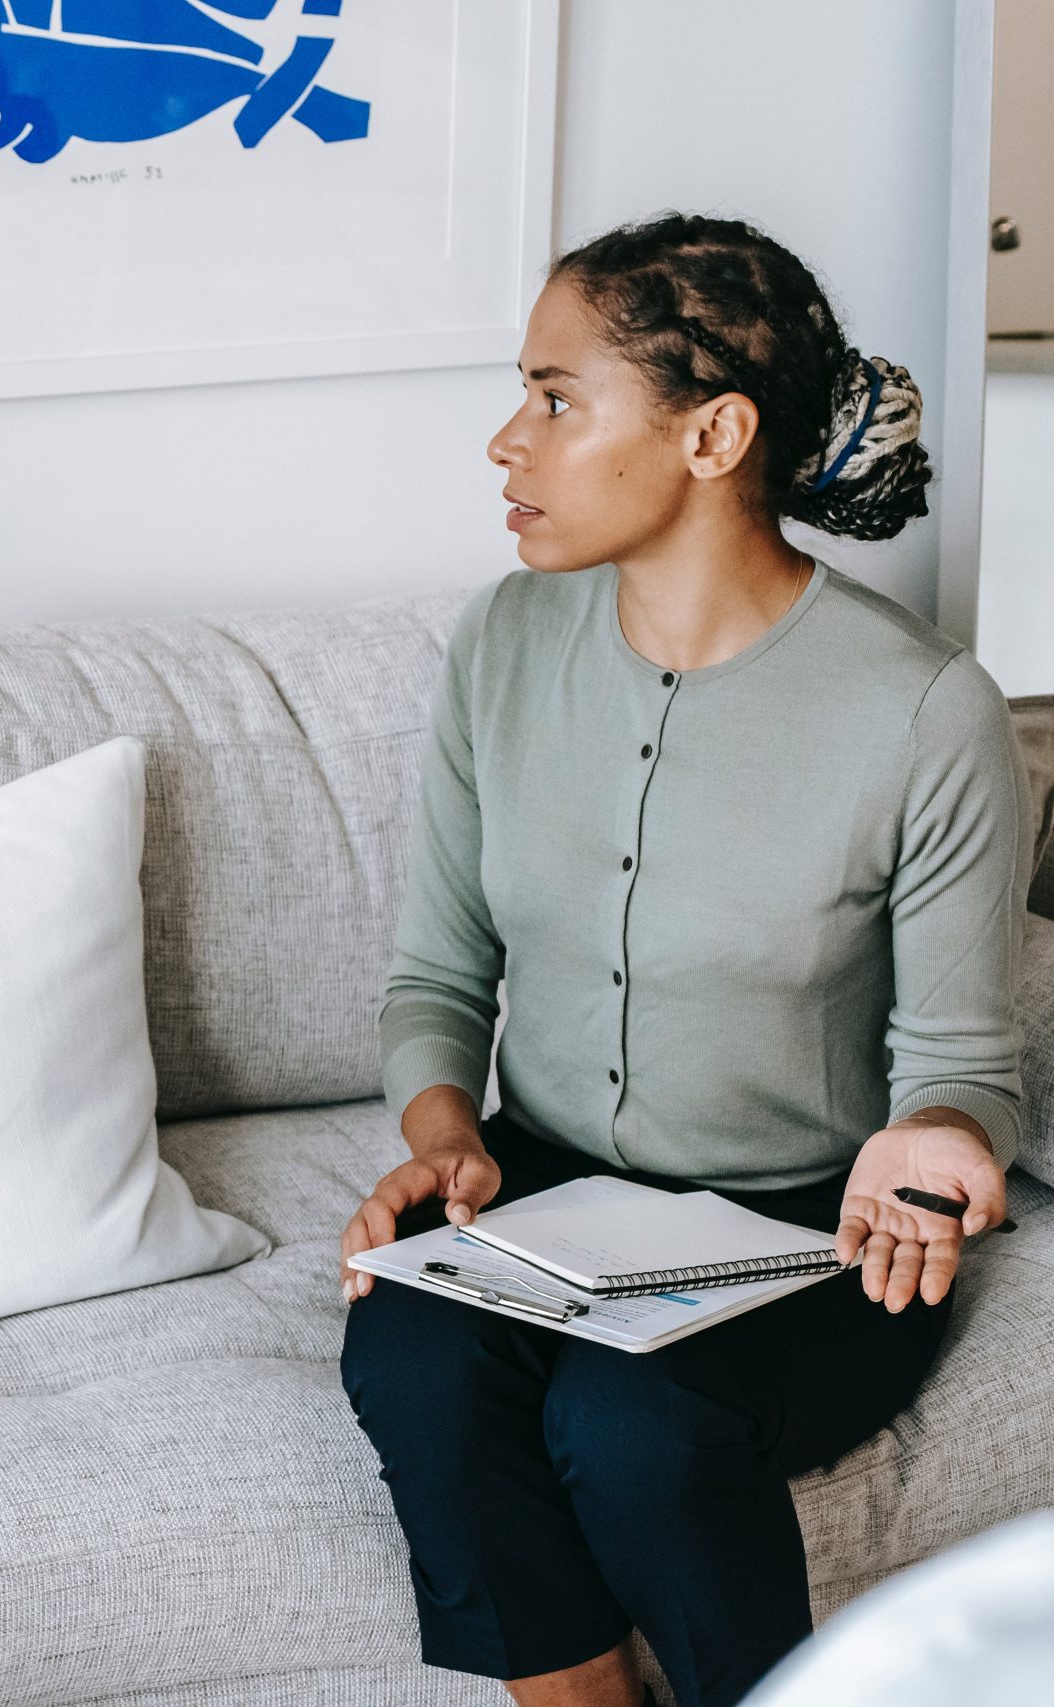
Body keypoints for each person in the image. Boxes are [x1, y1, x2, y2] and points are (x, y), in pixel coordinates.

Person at [336, 213, 1026, 1707]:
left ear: (715, 434)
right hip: (545, 1194)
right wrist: (443, 1141)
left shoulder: (925, 713)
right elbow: (438, 974)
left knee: (631, 1421)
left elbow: (967, 1066)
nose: (507, 442)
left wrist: (942, 1138)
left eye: (557, 397)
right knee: (414, 1359)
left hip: (813, 1239)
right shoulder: (506, 645)